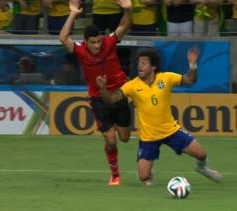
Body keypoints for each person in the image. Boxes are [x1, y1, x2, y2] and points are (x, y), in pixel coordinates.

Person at [96, 48, 223, 186]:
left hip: (171, 131)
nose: (140, 66)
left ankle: (202, 168)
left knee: (201, 154)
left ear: (153, 66)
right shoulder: (132, 86)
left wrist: (192, 65)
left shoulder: (166, 78)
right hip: (148, 137)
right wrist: (103, 88)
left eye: (144, 63)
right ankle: (148, 171)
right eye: (139, 63)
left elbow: (190, 79)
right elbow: (111, 99)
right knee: (144, 177)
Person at [59, 0, 132, 186]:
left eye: (99, 41)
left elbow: (124, 26)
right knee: (111, 140)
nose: (97, 46)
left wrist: (128, 10)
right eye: (93, 43)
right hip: (99, 99)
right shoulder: (81, 51)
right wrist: (73, 13)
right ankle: (115, 174)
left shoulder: (109, 42)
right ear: (86, 42)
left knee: (124, 138)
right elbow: (63, 37)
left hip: (120, 93)